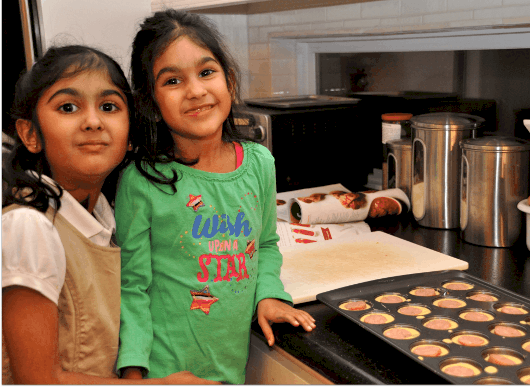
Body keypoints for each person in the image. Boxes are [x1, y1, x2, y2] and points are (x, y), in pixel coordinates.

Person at [116, 9, 316, 384]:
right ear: (151, 103)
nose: (195, 90)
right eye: (173, 80)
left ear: (230, 80)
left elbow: (267, 244)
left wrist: (269, 295)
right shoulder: (143, 181)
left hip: (229, 371)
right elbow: (132, 287)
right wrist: (134, 375)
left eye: (207, 72)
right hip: (165, 372)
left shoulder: (258, 163)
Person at [2, 45, 216, 385]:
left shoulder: (105, 213)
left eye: (109, 106)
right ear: (30, 134)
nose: (93, 122)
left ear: (129, 134)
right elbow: (37, 379)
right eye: (68, 107)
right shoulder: (29, 225)